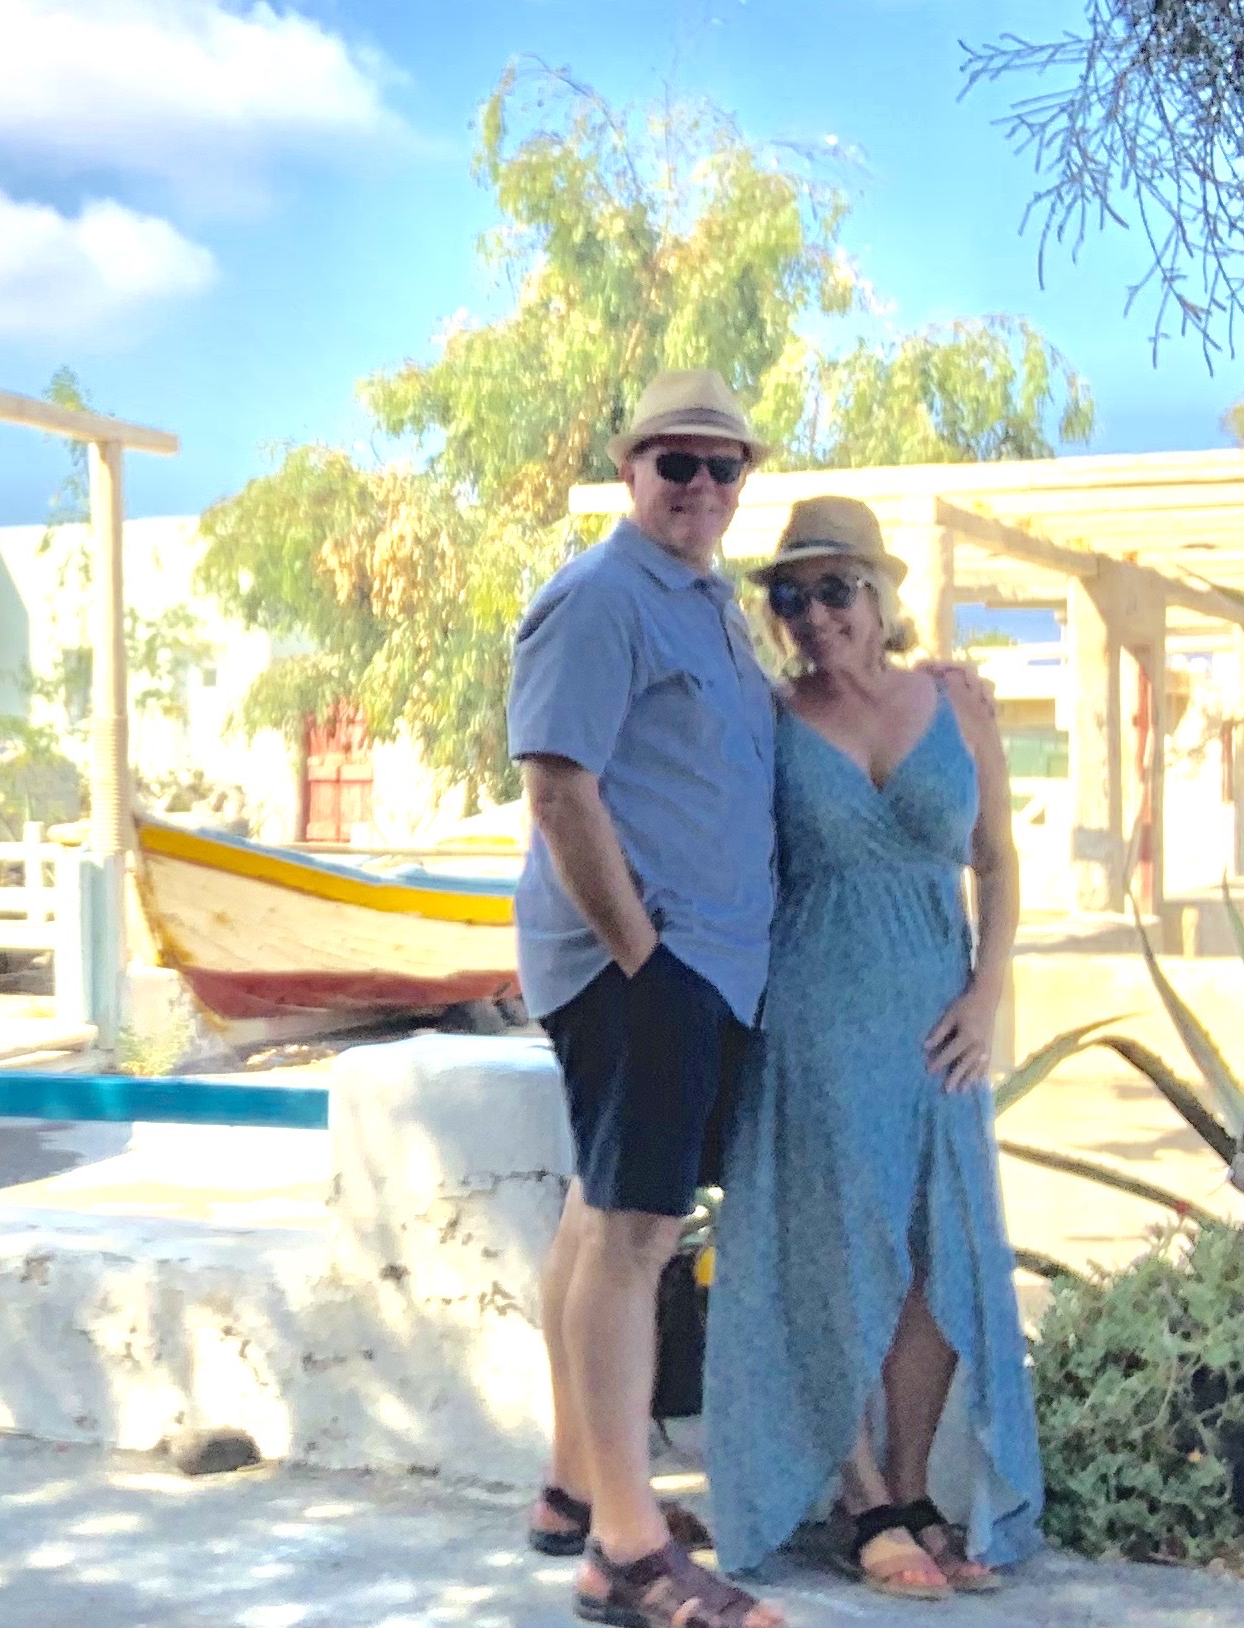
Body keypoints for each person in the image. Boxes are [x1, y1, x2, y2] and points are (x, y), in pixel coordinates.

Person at [703, 496, 1044, 1600]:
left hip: (940, 1016)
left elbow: (997, 860)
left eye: (836, 588)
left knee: (937, 1247)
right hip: (815, 1011)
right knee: (836, 1244)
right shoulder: (766, 718)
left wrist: (988, 995)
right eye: (789, 595)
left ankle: (908, 1483)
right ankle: (860, 1496)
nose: (814, 614)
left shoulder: (956, 703)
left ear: (881, 594)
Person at [508, 368, 787, 1628]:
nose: (701, 485)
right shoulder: (601, 596)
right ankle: (627, 1549)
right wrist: (639, 954)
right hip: (645, 966)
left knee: (595, 1209)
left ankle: (577, 1484)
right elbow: (557, 788)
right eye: (676, 461)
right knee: (634, 1235)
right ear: (630, 470)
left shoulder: (708, 605)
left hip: (695, 962)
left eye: (723, 466)